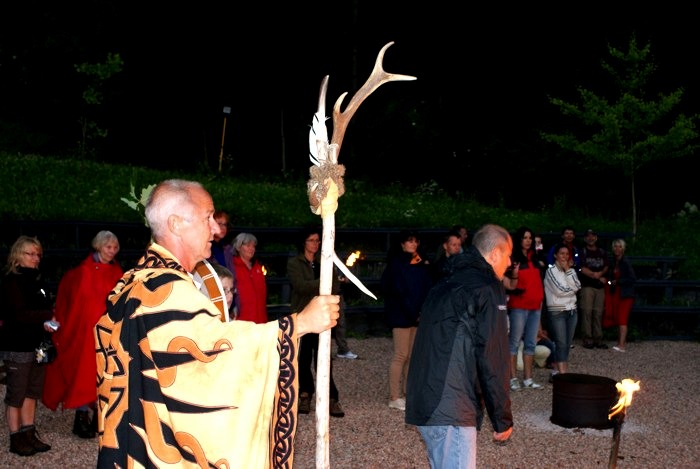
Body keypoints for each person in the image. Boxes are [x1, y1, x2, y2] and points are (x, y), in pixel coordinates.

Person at [93, 179, 340, 468]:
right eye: (207, 218)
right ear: (176, 224)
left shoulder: (134, 279)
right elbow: (216, 351)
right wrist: (300, 324)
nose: (216, 228)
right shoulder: (168, 290)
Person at [405, 224, 514, 469]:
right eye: (508, 255)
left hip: (426, 400)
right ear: (495, 254)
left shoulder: (447, 280)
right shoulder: (487, 287)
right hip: (450, 406)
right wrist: (502, 418)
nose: (509, 263)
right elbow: (492, 356)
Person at [42, 230, 123, 439]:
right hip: (84, 333)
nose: (112, 251)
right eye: (108, 247)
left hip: (108, 332)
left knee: (105, 372)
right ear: (98, 246)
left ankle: (99, 414)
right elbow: (70, 302)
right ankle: (81, 417)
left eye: (115, 247)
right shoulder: (81, 273)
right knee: (84, 373)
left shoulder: (117, 272)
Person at [0, 236, 58, 456]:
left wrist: (49, 321)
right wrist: (46, 316)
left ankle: (28, 432)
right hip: (18, 346)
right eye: (30, 254)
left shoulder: (37, 280)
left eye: (38, 254)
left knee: (32, 393)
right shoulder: (11, 282)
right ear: (18, 255)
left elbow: (42, 310)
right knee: (16, 394)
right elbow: (18, 315)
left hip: (37, 346)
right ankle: (15, 438)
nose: (35, 258)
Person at [287, 226, 345, 418]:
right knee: (303, 359)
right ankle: (305, 393)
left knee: (324, 358)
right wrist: (323, 282)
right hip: (303, 315)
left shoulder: (325, 261)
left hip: (324, 315)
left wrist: (324, 283)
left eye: (317, 240)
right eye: (311, 240)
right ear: (303, 242)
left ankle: (331, 397)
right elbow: (300, 286)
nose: (315, 244)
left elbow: (334, 286)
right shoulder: (295, 263)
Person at [380, 229, 433, 411]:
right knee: (400, 355)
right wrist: (413, 312)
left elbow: (426, 287)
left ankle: (408, 392)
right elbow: (397, 291)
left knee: (411, 356)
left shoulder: (420, 263)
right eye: (410, 241)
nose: (413, 244)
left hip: (416, 315)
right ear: (402, 244)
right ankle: (394, 396)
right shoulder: (396, 264)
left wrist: (422, 311)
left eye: (415, 241)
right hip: (401, 315)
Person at [505, 226, 545, 391]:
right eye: (525, 238)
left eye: (530, 238)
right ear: (519, 239)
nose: (528, 241)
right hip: (519, 305)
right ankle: (512, 378)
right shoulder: (512, 259)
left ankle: (528, 378)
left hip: (535, 306)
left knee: (530, 343)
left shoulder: (535, 258)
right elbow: (507, 282)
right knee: (514, 343)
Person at [544, 243, 582, 379]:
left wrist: (568, 270)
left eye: (567, 254)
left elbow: (578, 286)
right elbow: (559, 291)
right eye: (562, 253)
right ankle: (563, 375)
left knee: (566, 344)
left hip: (572, 311)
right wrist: (572, 290)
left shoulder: (570, 271)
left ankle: (558, 371)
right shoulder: (551, 271)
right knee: (560, 342)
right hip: (557, 311)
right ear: (556, 255)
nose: (564, 256)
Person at [578, 228, 609, 349]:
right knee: (586, 312)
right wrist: (595, 275)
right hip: (587, 286)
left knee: (598, 313)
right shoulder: (582, 252)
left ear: (596, 238)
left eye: (593, 236)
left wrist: (600, 274)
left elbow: (606, 266)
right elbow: (581, 268)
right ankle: (587, 339)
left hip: (600, 287)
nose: (590, 238)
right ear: (585, 238)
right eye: (588, 236)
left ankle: (598, 339)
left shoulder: (602, 252)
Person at [605, 238, 636, 352]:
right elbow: (610, 279)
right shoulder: (614, 262)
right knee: (618, 318)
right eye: (615, 246)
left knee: (622, 319)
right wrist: (609, 282)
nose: (617, 249)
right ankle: (620, 342)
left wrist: (618, 282)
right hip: (616, 293)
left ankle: (622, 345)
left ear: (623, 249)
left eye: (620, 247)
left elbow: (632, 278)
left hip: (625, 294)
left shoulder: (625, 262)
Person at [231, 232, 268, 323]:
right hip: (241, 320)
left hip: (260, 319)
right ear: (238, 247)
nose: (252, 249)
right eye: (248, 245)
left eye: (253, 246)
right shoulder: (232, 267)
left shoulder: (258, 267)